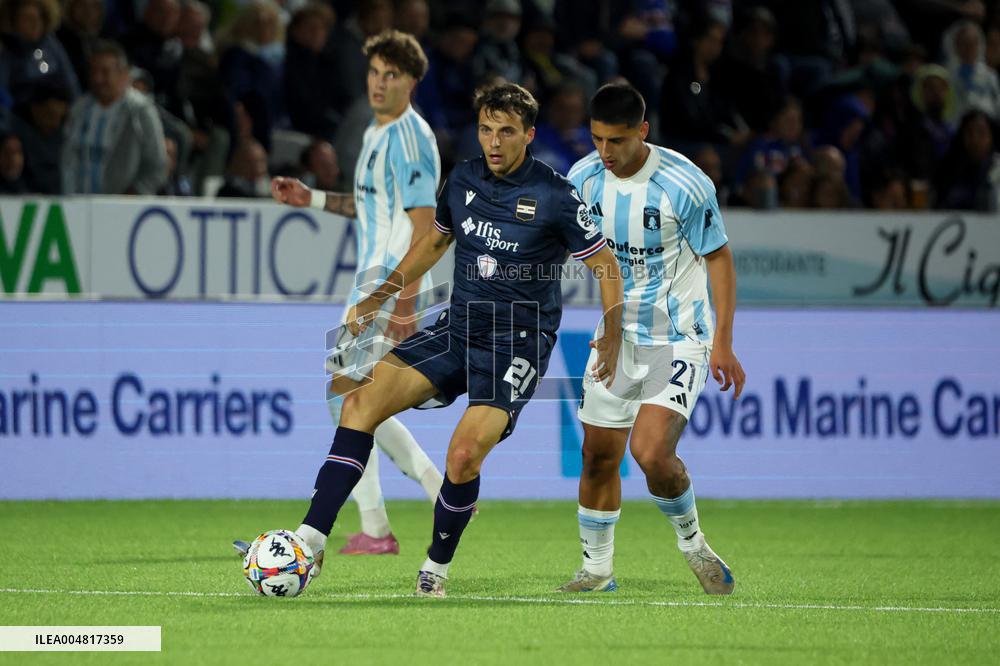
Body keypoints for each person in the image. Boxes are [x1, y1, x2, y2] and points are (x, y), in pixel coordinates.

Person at [289, 82, 623, 597]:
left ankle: (435, 568)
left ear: (529, 135)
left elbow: (604, 263)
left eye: (506, 131)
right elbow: (434, 242)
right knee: (357, 402)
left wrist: (614, 332)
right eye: (486, 129)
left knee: (464, 455)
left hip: (516, 343)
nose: (494, 142)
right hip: (458, 327)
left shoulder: (556, 195)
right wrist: (379, 298)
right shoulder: (463, 178)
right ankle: (310, 541)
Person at [241, 30, 445, 556]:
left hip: (390, 284)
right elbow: (370, 207)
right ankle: (407, 507)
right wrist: (310, 199)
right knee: (354, 400)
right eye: (374, 72)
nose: (379, 83)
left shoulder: (411, 138)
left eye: (391, 75)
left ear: (412, 82)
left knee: (349, 399)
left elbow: (426, 226)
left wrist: (405, 303)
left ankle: (390, 518)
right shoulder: (376, 133)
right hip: (369, 285)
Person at [560, 83, 745, 595]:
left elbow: (719, 258)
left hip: (678, 337)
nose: (605, 152)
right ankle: (596, 570)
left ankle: (694, 544)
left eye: (617, 141)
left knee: (651, 453)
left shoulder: (684, 184)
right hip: (615, 337)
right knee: (598, 454)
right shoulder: (582, 179)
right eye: (597, 139)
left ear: (642, 131)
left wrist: (724, 341)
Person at [61, 40, 167, 195]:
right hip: (77, 203)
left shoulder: (140, 111)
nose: (98, 79)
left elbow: (158, 166)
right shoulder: (79, 109)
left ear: (123, 74)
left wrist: (135, 193)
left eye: (105, 72)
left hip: (120, 206)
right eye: (93, 71)